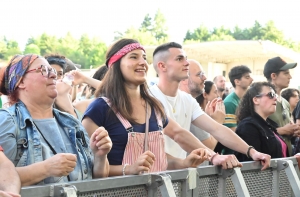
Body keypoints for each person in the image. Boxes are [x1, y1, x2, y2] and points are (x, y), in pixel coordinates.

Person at [82, 39, 210, 176]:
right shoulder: (99, 109)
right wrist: (129, 169)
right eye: (133, 57)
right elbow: (89, 168)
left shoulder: (154, 107)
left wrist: (183, 163)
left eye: (144, 58)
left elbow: (160, 160)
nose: (143, 63)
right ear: (115, 64)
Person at [151, 42, 270, 170]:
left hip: (178, 179)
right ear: (162, 66)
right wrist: (213, 157)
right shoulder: (149, 97)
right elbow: (177, 134)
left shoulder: (187, 99)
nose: (186, 63)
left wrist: (252, 152)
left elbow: (216, 128)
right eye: (180, 59)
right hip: (151, 180)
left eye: (186, 58)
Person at [0, 54, 112, 186]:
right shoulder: (7, 120)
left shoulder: (71, 121)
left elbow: (100, 177)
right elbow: (3, 178)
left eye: (52, 71)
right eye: (43, 70)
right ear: (20, 81)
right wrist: (45, 169)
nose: (53, 75)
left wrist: (100, 156)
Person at [234, 82, 288, 161]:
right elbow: (250, 164)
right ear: (256, 100)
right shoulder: (248, 126)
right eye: (271, 95)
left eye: (275, 95)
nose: (275, 98)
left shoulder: (269, 125)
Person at [264, 56, 299, 155]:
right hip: (270, 161)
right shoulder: (262, 101)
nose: (290, 77)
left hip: (286, 159)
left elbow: (288, 127)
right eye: (286, 73)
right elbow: (252, 132)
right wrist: (282, 130)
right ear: (273, 76)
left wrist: (294, 130)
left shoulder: (285, 102)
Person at [217, 65, 253, 155]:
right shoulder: (230, 103)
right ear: (237, 81)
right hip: (235, 153)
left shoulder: (246, 100)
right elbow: (232, 132)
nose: (251, 80)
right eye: (247, 77)